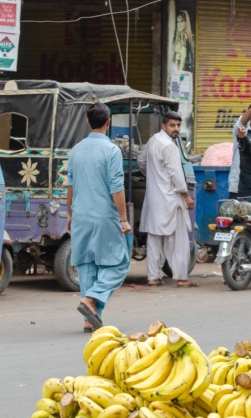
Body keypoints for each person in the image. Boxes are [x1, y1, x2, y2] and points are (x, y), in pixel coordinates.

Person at [65, 103, 132, 331]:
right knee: (119, 263)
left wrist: (70, 214)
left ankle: (90, 318)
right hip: (104, 216)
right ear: (108, 121)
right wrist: (123, 218)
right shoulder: (112, 151)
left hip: (81, 215)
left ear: (87, 122)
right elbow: (117, 187)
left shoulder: (76, 150)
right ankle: (91, 298)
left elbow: (70, 186)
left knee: (87, 266)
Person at [138, 112, 195, 287]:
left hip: (155, 199)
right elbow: (176, 174)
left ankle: (153, 277)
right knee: (179, 240)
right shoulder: (169, 146)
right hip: (171, 199)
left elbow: (141, 161)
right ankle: (182, 278)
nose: (176, 129)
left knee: (155, 238)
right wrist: (186, 195)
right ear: (164, 126)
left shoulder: (153, 140)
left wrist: (155, 176)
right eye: (172, 125)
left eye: (178, 125)